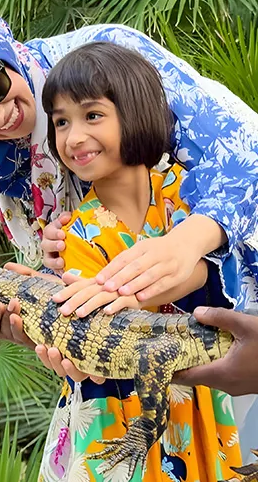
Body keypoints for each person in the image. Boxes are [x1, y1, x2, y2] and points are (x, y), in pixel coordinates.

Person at [0, 2, 258, 354]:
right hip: (150, 336)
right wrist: (52, 275)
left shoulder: (107, 60)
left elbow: (242, 154)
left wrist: (186, 241)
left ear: (2, 48)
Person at [34, 42, 239, 481]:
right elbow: (97, 329)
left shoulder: (191, 194)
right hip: (118, 410)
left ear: (135, 110)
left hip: (198, 398)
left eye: (92, 115)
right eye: (61, 122)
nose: (73, 137)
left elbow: (234, 279)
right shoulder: (76, 233)